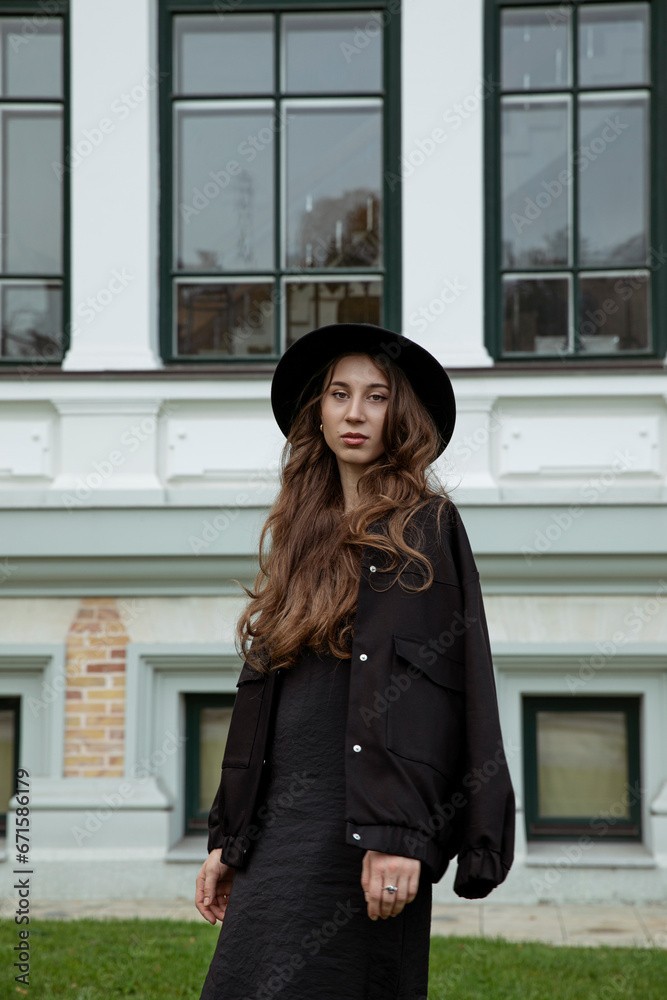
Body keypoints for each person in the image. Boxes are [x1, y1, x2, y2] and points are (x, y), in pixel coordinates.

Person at [195, 322, 515, 999]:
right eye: (339, 394)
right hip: (279, 826)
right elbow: (265, 699)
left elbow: (436, 693)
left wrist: (398, 834)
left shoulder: (426, 526)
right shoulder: (300, 531)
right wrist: (230, 836)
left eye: (376, 396)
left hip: (363, 827)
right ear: (318, 411)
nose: (355, 413)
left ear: (400, 416)